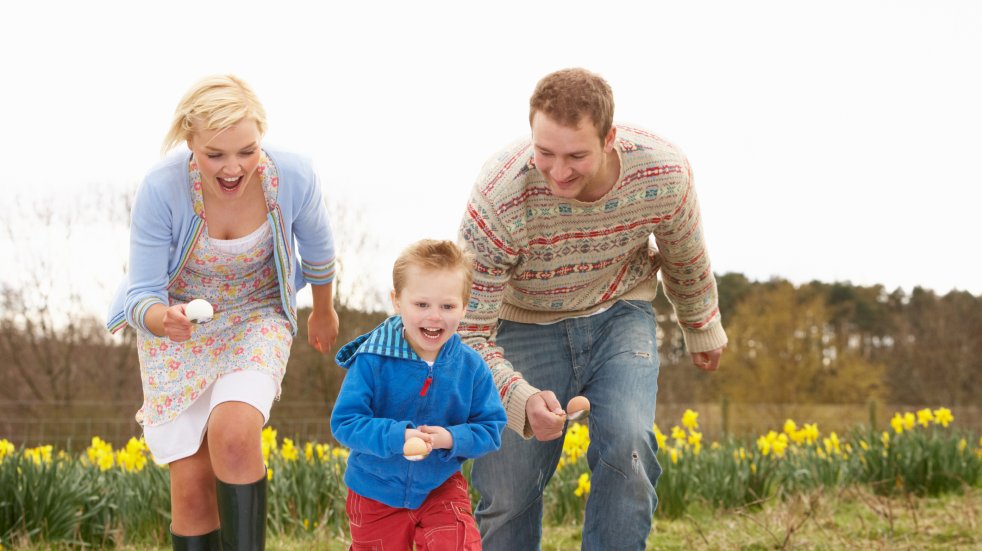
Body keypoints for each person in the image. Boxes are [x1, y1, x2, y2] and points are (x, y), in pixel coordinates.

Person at [457, 68, 728, 550]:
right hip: (521, 325)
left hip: (618, 311)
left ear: (610, 140)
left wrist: (701, 324)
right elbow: (468, 333)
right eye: (545, 153)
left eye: (576, 155)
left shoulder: (662, 172)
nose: (558, 171)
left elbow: (683, 253)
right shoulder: (500, 196)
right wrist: (517, 396)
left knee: (628, 449)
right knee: (507, 493)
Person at [106, 74, 339, 550]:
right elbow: (142, 293)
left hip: (258, 316)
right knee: (191, 487)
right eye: (216, 155)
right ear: (189, 141)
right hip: (180, 333)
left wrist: (322, 310)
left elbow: (318, 249)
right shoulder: (161, 188)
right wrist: (160, 319)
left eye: (247, 151)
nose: (234, 168)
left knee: (233, 434)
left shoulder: (292, 176)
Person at [331, 239, 507, 550]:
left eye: (448, 306)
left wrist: (450, 439)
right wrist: (399, 436)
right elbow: (345, 422)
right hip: (374, 490)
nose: (435, 317)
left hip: (440, 485)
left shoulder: (471, 368)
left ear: (465, 307)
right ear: (397, 301)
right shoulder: (372, 360)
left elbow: (491, 427)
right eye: (422, 305)